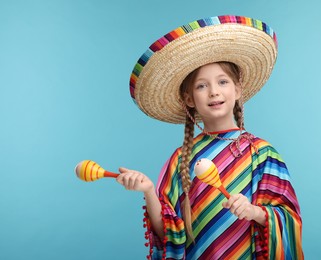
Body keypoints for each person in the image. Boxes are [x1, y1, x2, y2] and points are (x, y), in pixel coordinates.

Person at [117, 15, 303, 260]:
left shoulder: (262, 153)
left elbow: (288, 219)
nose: (214, 91)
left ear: (237, 90)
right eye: (201, 86)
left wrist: (255, 212)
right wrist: (149, 191)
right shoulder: (181, 159)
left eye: (223, 81)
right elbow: (166, 234)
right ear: (189, 99)